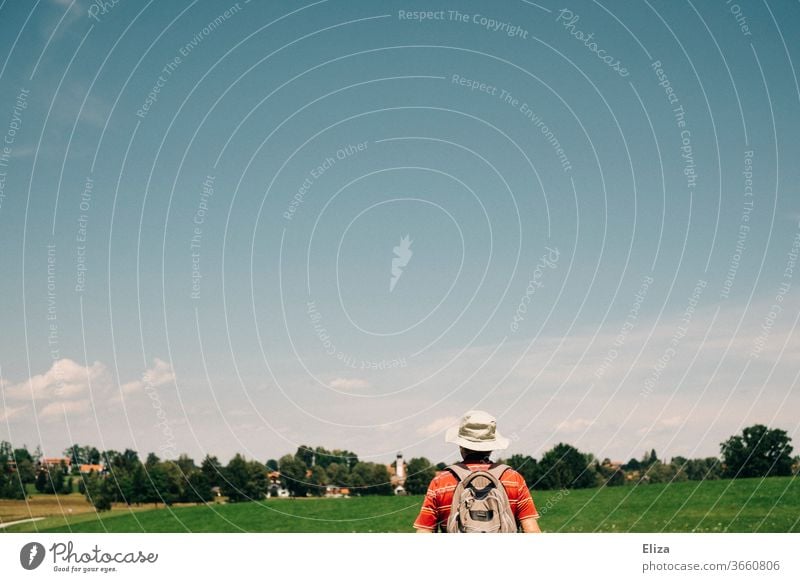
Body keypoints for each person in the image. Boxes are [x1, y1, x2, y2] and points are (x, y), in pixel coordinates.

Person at [414, 410, 541, 533]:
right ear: (491, 446)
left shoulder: (440, 483)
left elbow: (424, 531)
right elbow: (532, 530)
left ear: (461, 445)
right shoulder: (513, 479)